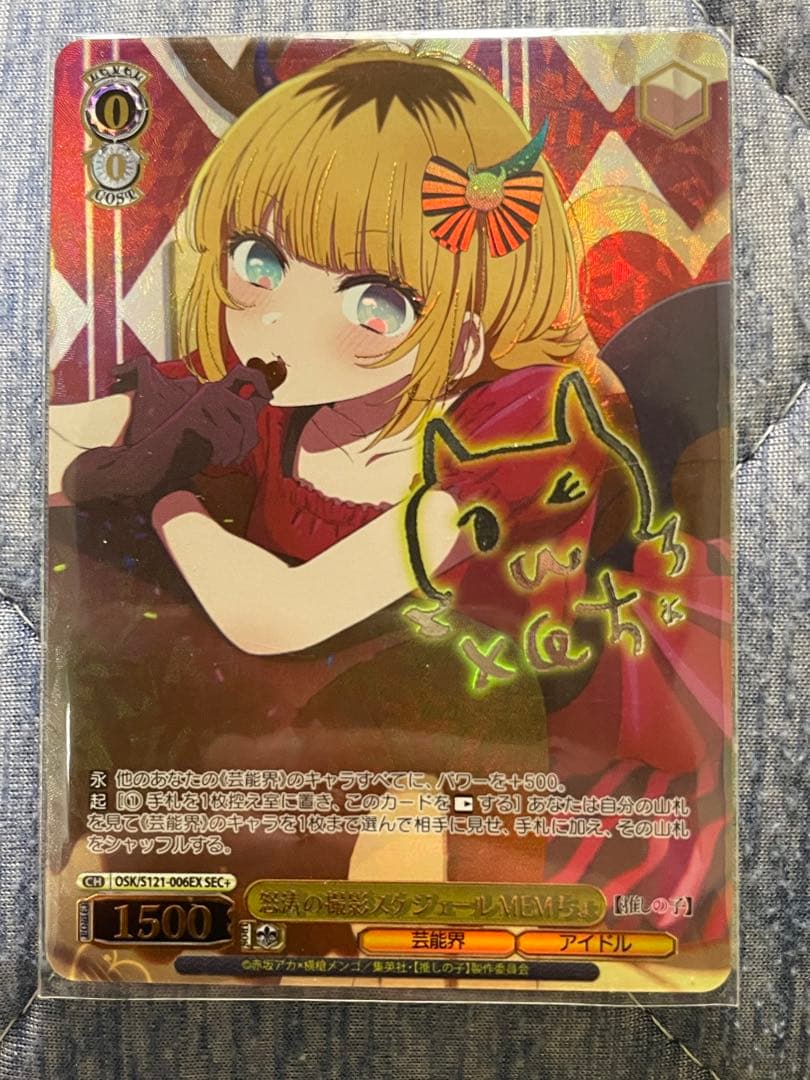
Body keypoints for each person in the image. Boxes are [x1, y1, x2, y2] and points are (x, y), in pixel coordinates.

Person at [47, 46, 730, 962]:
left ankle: (390, 948)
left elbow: (277, 614)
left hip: (446, 728)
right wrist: (116, 460)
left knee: (430, 724)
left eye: (375, 303)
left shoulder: (491, 447)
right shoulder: (269, 400)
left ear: (463, 339)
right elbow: (54, 440)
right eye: (260, 261)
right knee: (96, 592)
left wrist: (164, 494)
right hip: (280, 727)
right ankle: (98, 885)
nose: (278, 319)